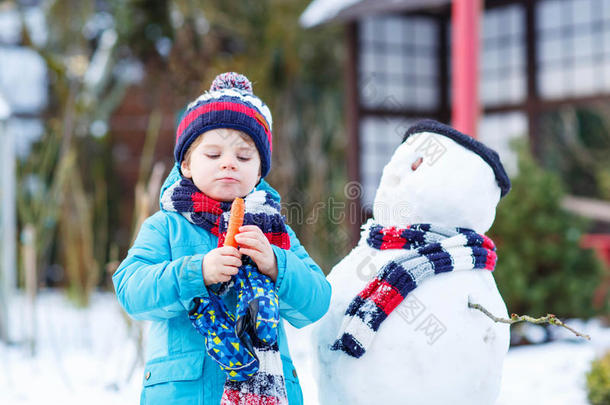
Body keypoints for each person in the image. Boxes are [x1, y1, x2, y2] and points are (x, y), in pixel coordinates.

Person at [113, 72, 331, 404]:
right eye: (213, 155)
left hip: (269, 389)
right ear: (186, 164)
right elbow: (131, 290)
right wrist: (195, 272)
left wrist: (276, 264)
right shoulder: (166, 226)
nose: (229, 164)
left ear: (259, 171)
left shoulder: (275, 232)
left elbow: (316, 302)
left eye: (243, 157)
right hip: (184, 392)